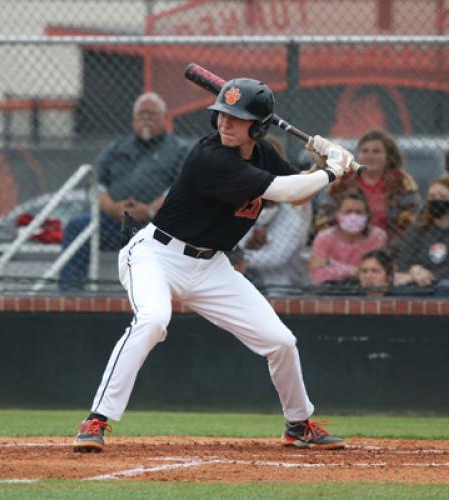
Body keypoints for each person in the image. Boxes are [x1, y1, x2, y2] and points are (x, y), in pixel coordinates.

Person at [72, 77, 356, 453]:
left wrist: (319, 167)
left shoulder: (263, 155)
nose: (224, 123)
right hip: (156, 255)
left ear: (258, 126)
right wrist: (332, 171)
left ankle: (298, 424)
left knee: (281, 341)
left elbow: (297, 195)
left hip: (211, 266)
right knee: (153, 320)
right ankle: (97, 419)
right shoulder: (211, 157)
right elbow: (286, 191)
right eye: (222, 115)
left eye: (236, 118)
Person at [58, 92, 190, 291]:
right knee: (77, 226)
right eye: (141, 114)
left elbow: (182, 186)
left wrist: (151, 210)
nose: (146, 119)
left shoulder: (179, 149)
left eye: (152, 114)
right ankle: (69, 293)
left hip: (158, 225)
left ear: (164, 118)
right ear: (133, 119)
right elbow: (96, 183)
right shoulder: (117, 147)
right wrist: (111, 207)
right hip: (115, 222)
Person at [315, 129, 420, 252]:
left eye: (376, 151)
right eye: (365, 151)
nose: (370, 156)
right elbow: (324, 217)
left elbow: (410, 222)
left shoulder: (402, 183)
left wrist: (389, 250)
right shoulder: (342, 182)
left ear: (388, 156)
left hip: (388, 250)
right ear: (358, 155)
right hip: (344, 249)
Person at [238, 135, 312, 290]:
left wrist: (240, 258)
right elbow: (231, 244)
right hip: (238, 282)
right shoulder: (236, 201)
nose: (263, 166)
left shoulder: (291, 208)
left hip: (281, 287)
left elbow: (276, 258)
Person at [396, 176, 449, 294]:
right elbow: (404, 261)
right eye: (432, 196)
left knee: (445, 286)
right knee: (399, 284)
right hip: (418, 280)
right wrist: (414, 271)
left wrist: (430, 275)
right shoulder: (418, 228)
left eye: (442, 197)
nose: (436, 200)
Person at [309, 191, 387, 285]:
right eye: (348, 211)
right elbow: (318, 276)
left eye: (359, 212)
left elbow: (375, 275)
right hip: (329, 289)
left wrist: (330, 263)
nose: (353, 217)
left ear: (367, 215)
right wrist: (355, 271)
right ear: (337, 215)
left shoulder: (377, 237)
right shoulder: (324, 238)